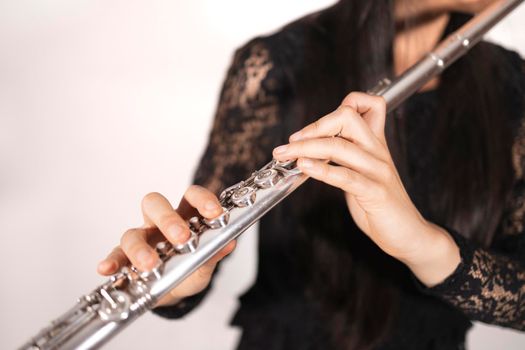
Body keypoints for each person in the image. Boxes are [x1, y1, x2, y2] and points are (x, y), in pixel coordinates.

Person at [97, 0, 525, 349]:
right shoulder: (278, 66)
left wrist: (421, 241)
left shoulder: (512, 86)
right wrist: (168, 278)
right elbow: (201, 243)